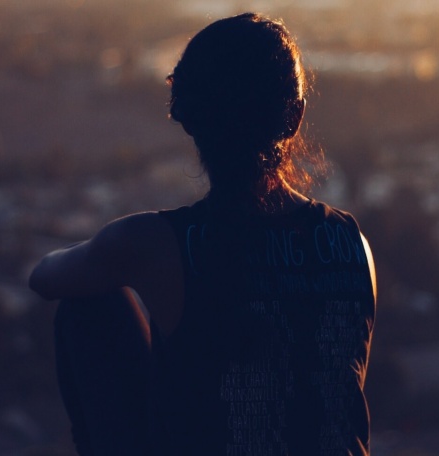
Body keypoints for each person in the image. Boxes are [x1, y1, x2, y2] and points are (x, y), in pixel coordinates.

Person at [29, 12, 377, 456]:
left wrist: (110, 252)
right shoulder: (351, 245)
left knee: (88, 301)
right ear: (294, 119)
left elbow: (45, 278)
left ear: (188, 119)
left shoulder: (156, 244)